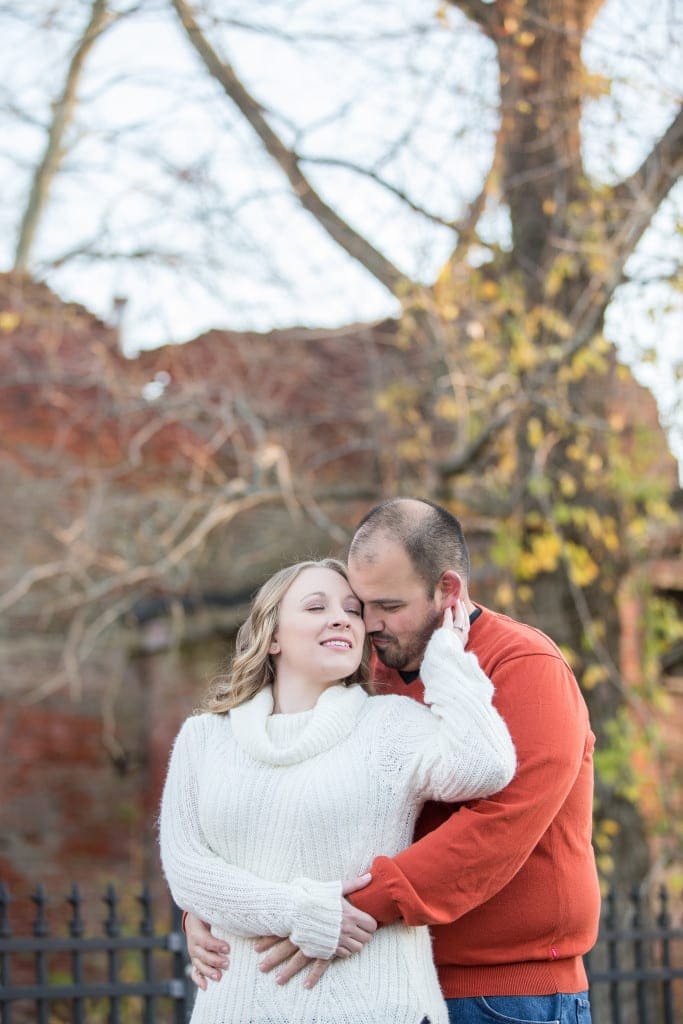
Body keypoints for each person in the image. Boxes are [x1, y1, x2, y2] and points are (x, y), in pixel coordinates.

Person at [185, 499, 601, 1024]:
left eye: (389, 605)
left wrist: (348, 909)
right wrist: (214, 908)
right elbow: (283, 800)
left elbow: (498, 825)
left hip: (502, 994)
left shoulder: (525, 667)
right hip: (380, 985)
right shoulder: (359, 671)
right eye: (362, 605)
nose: (370, 624)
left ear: (447, 591)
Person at [160, 555, 516, 1024]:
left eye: (352, 610)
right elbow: (187, 869)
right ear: (271, 637)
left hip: (378, 1008)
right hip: (235, 1009)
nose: (340, 618)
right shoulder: (205, 738)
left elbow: (485, 765)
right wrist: (302, 912)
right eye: (315, 607)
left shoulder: (389, 725)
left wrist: (447, 657)